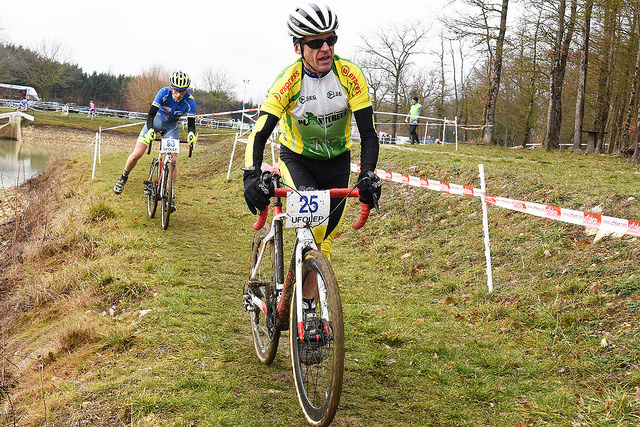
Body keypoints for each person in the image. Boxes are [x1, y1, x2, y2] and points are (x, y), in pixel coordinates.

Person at [243, 3, 382, 315]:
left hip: (337, 162)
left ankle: (306, 302)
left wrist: (369, 173)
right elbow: (260, 132)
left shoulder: (350, 75)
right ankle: (305, 310)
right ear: (298, 47)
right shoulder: (288, 80)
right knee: (316, 226)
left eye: (331, 40)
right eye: (315, 42)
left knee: (324, 239)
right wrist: (251, 174)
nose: (326, 48)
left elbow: (369, 133)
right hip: (297, 160)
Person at [113, 70, 197, 211]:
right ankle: (123, 177)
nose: (178, 95)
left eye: (182, 91)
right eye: (176, 91)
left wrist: (191, 134)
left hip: (171, 127)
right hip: (155, 122)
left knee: (173, 161)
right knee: (137, 154)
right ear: (171, 88)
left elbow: (191, 123)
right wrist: (151, 129)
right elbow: (150, 115)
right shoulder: (163, 93)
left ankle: (170, 194)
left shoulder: (190, 101)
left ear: (186, 90)